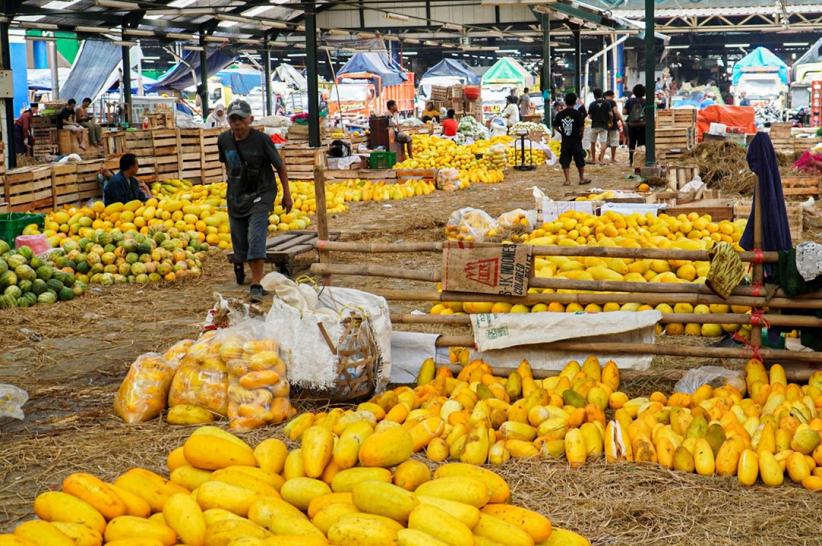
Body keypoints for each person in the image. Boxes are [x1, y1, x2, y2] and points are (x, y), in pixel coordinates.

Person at [218, 99, 293, 302]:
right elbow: (227, 165)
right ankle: (244, 264)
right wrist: (233, 185)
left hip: (262, 192)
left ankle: (256, 283)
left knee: (255, 234)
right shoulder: (224, 140)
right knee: (240, 239)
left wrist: (287, 194)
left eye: (241, 119)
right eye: (233, 119)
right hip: (237, 196)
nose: (237, 124)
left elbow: (280, 166)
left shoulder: (261, 140)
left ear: (250, 119)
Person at [554, 92, 590, 186]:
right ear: (575, 102)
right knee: (579, 159)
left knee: (565, 160)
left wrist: (563, 133)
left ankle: (567, 180)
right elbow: (582, 128)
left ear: (565, 102)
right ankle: (581, 178)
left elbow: (555, 127)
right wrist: (580, 136)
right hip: (576, 141)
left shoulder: (560, 114)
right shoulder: (578, 114)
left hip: (565, 141)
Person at [623, 84, 647, 166]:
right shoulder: (646, 101)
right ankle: (640, 161)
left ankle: (631, 160)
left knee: (632, 143)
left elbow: (624, 112)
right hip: (643, 125)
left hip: (632, 125)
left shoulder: (629, 101)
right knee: (641, 143)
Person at [587, 88, 611, 165]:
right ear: (602, 94)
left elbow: (590, 116)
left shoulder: (592, 104)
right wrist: (610, 121)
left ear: (594, 96)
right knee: (603, 143)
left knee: (593, 143)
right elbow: (610, 114)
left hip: (594, 125)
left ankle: (594, 159)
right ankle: (601, 160)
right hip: (604, 125)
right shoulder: (607, 103)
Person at [601, 90, 622, 163]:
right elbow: (615, 112)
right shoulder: (612, 102)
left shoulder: (603, 102)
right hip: (612, 124)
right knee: (614, 142)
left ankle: (601, 156)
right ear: (612, 95)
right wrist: (619, 119)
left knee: (606, 142)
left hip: (604, 125)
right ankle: (612, 158)